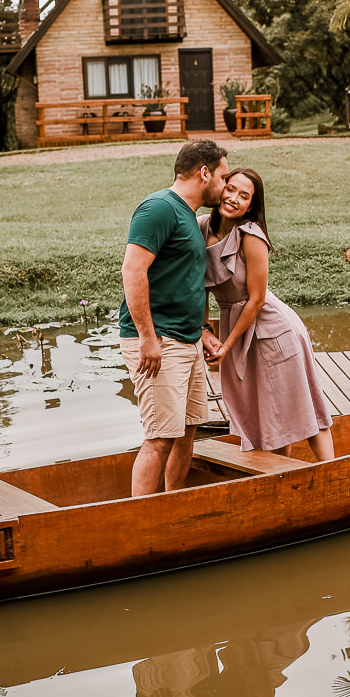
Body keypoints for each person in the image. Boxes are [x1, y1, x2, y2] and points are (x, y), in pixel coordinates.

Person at [200, 167, 334, 460]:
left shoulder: (251, 236)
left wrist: (227, 344)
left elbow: (257, 300)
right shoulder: (201, 228)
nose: (234, 198)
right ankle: (278, 479)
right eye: (231, 189)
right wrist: (204, 329)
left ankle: (333, 473)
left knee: (304, 406)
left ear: (252, 205)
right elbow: (201, 288)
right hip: (233, 326)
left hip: (272, 330)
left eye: (244, 195)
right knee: (265, 414)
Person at [120, 140, 228, 497]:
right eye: (224, 177)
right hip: (159, 342)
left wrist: (203, 330)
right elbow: (133, 271)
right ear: (205, 172)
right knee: (160, 437)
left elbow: (182, 280)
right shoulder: (160, 209)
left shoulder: (186, 215)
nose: (225, 186)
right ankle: (143, 523)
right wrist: (148, 338)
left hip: (187, 340)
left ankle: (172, 505)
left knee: (187, 431)